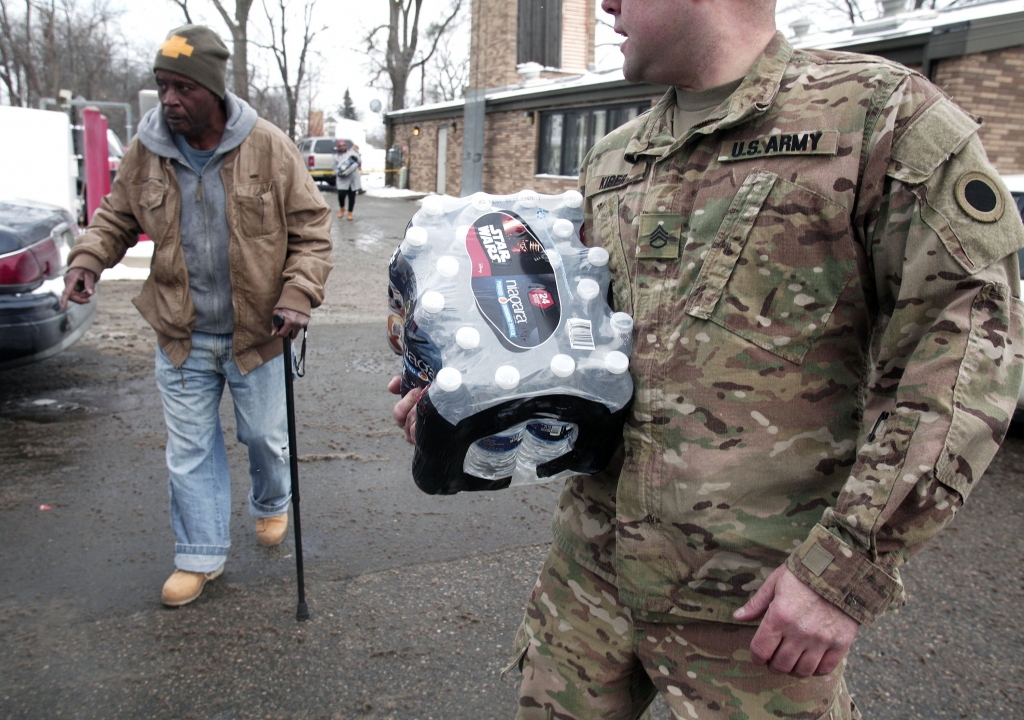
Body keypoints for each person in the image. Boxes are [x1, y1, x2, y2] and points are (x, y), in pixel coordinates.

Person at [391, 0, 1024, 716]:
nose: (605, 5)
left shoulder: (881, 120)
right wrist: (466, 403)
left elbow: (967, 361)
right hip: (589, 581)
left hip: (757, 609)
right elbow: (585, 357)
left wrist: (847, 569)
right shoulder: (616, 156)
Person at [61, 24, 333, 608]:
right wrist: (88, 259)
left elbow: (312, 232)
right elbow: (115, 217)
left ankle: (271, 500)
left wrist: (297, 295)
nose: (169, 100)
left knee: (265, 438)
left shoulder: (267, 145)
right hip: (180, 336)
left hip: (259, 336)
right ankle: (200, 556)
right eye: (163, 86)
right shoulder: (148, 150)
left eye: (183, 87)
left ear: (213, 91)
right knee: (190, 451)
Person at [333, 139, 361, 220]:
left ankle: (350, 212)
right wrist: (339, 173)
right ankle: (342, 208)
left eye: (343, 145)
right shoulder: (335, 157)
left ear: (346, 146)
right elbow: (334, 167)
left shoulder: (351, 153)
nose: (342, 147)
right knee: (341, 195)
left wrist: (357, 152)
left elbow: (358, 161)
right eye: (340, 146)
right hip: (342, 179)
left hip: (352, 179)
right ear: (338, 147)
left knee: (352, 196)